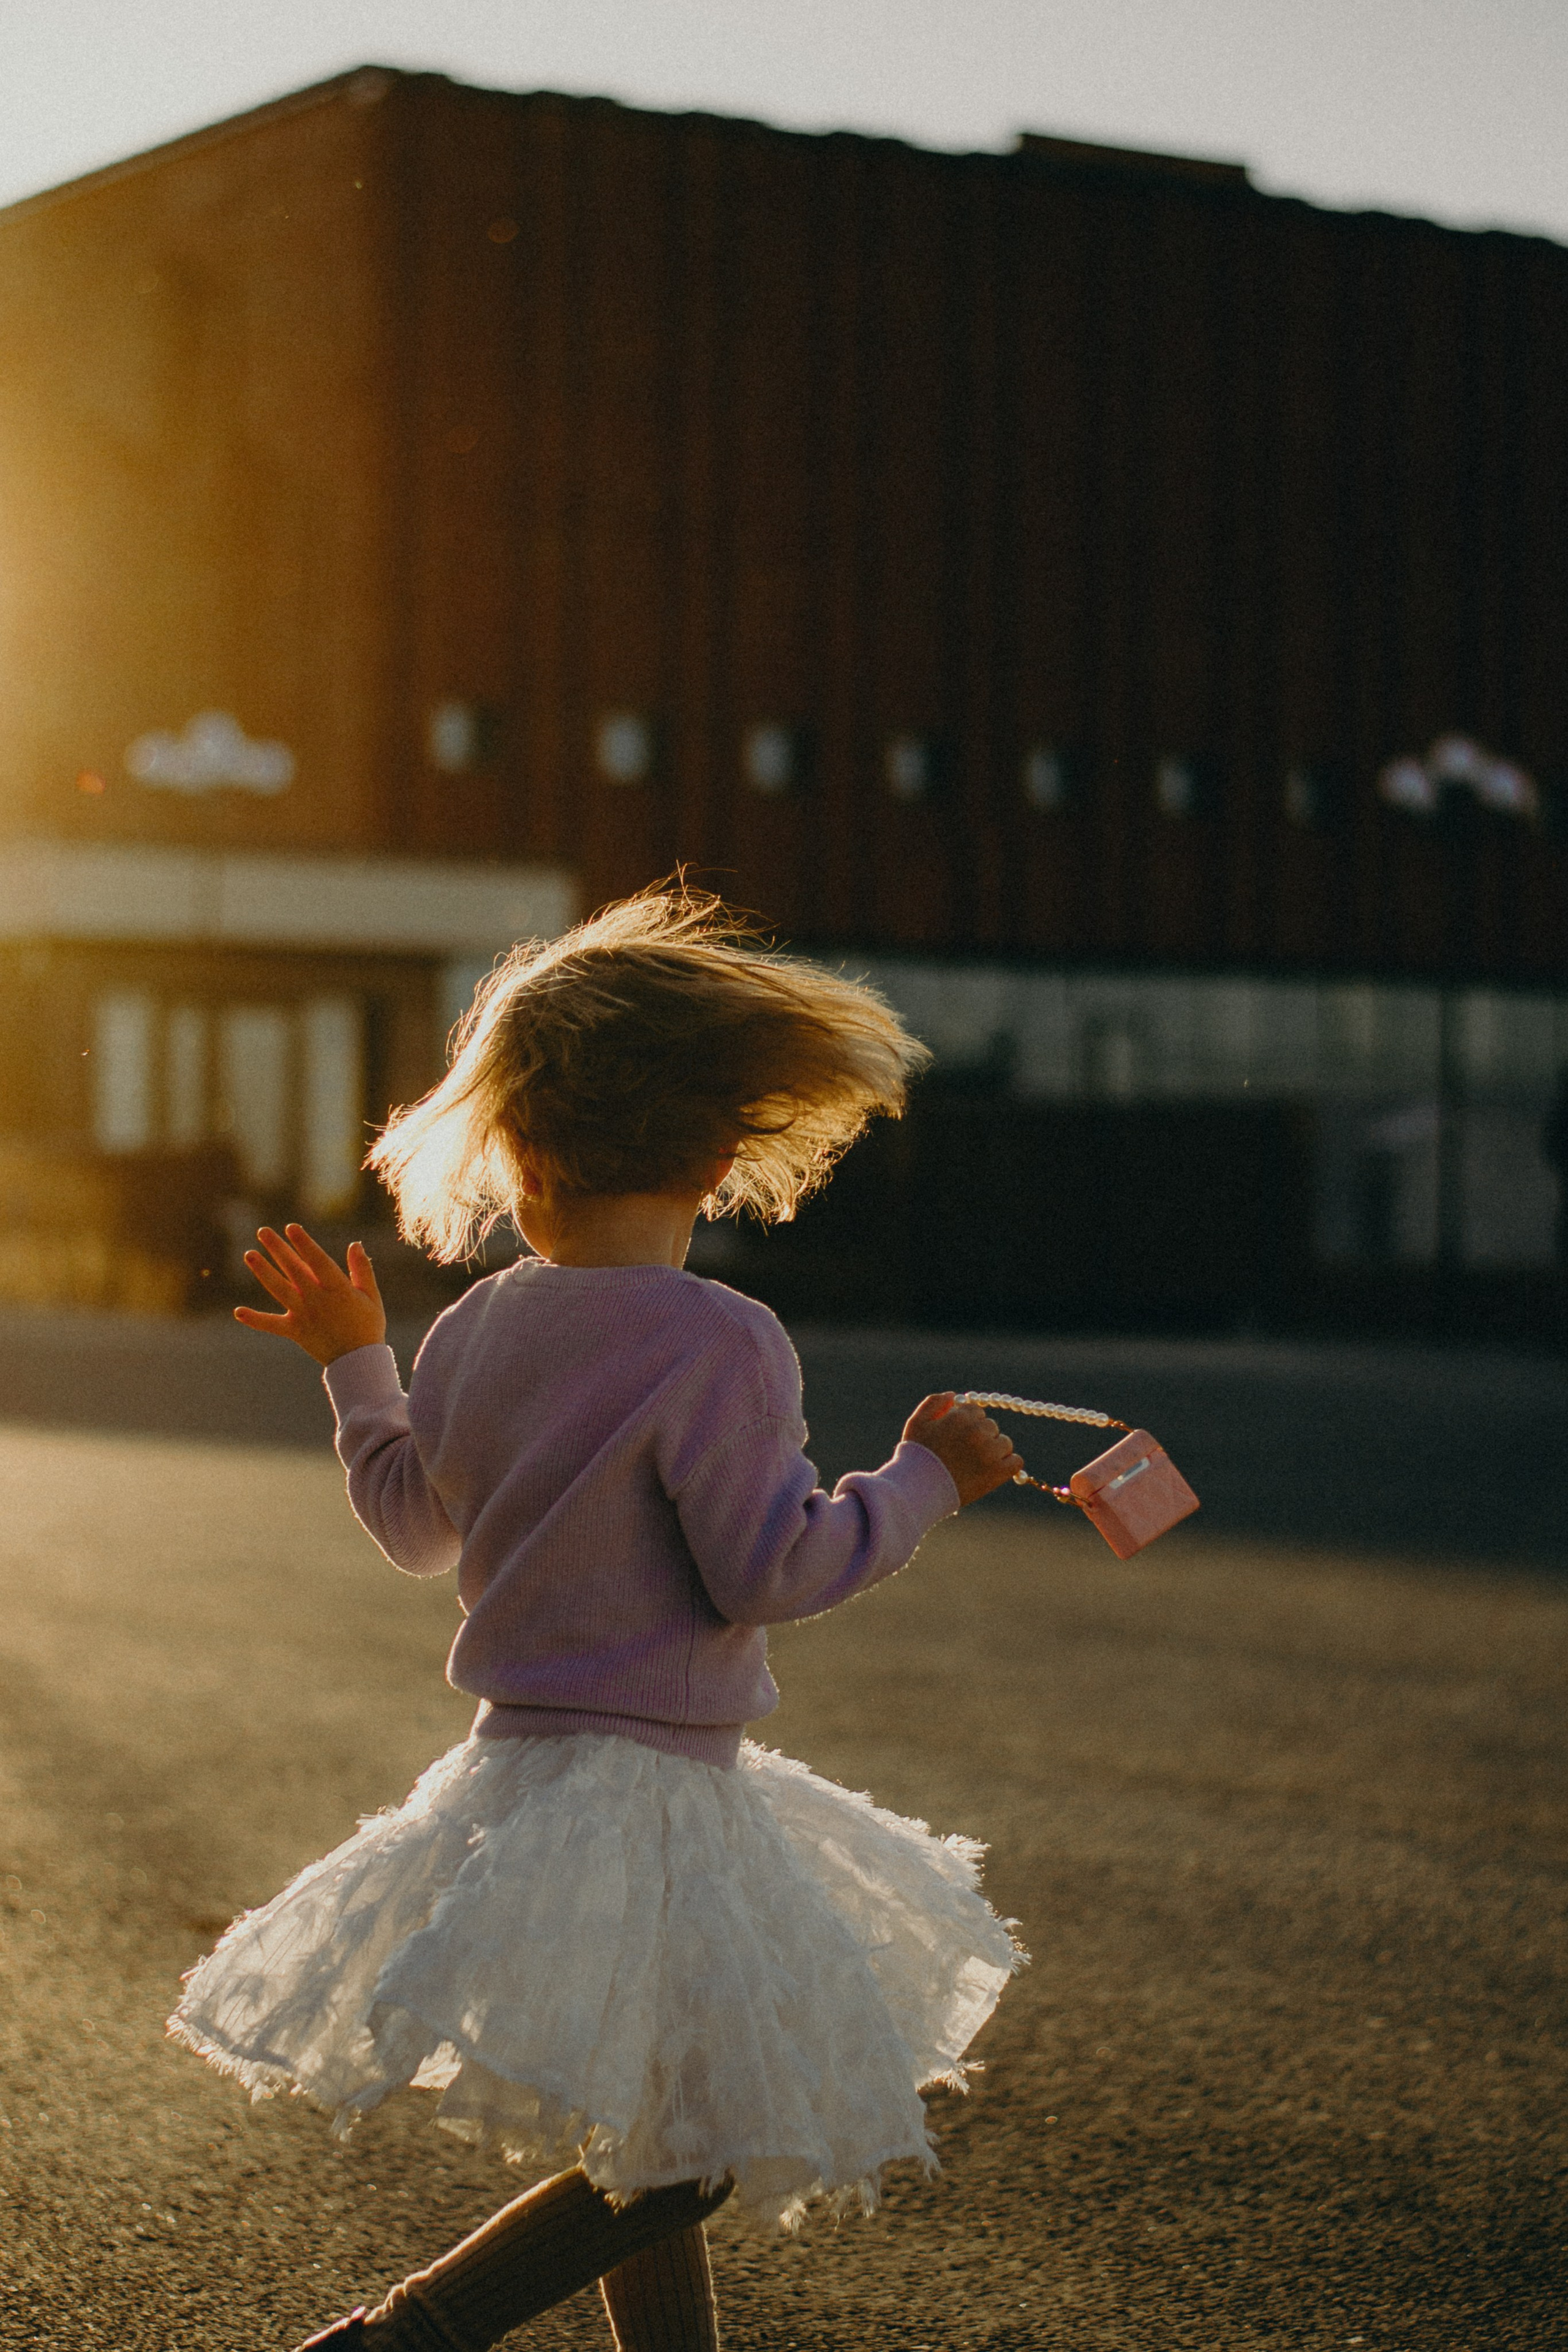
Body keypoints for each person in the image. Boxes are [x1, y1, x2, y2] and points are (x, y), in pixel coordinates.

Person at [169, 887, 1026, 2352]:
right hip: (656, 1802)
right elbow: (771, 1571)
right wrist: (922, 1482)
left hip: (517, 1784)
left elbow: (413, 1529)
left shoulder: (479, 1324)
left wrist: (356, 1368)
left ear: (519, 1149)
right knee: (692, 2143)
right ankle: (410, 2335)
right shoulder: (719, 1339)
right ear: (717, 1147)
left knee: (657, 2130)